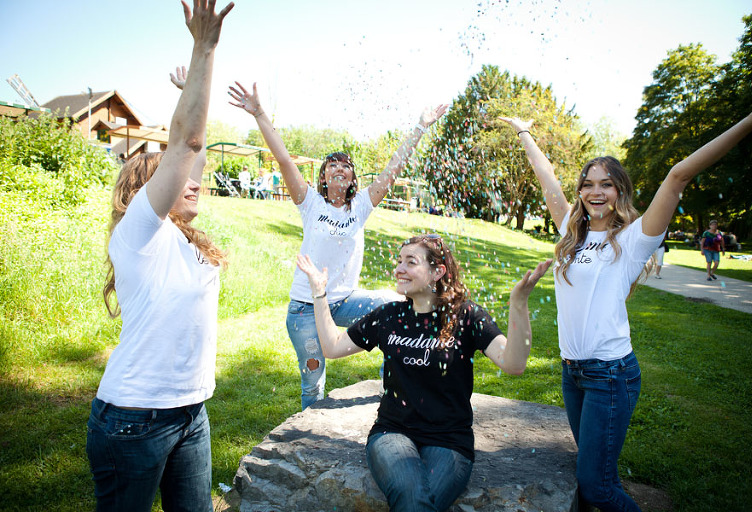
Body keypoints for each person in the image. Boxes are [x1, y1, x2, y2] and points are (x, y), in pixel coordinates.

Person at [499, 104, 752, 512]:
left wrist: (751, 120)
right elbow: (546, 176)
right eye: (588, 184)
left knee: (596, 488)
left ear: (620, 191)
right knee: (598, 475)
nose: (595, 192)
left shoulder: (635, 239)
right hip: (573, 373)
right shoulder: (571, 231)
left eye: (606, 185)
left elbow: (678, 175)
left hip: (610, 375)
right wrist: (524, 133)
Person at [86, 2, 233, 511]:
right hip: (135, 419)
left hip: (191, 413)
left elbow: (195, 150)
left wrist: (188, 92)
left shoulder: (185, 240)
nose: (195, 181)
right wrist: (204, 49)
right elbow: (187, 143)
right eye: (179, 176)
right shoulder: (140, 233)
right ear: (149, 190)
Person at [228, 80, 448, 409]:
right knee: (313, 380)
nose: (340, 168)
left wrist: (420, 126)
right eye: (333, 164)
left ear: (352, 178)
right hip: (305, 308)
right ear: (323, 176)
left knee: (398, 309)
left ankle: (394, 388)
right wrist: (259, 113)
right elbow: (284, 160)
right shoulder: (310, 203)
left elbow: (392, 170)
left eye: (346, 165)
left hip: (344, 301)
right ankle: (308, 433)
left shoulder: (360, 206)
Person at [296, 234, 552, 512]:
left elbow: (514, 363)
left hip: (450, 440)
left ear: (437, 271)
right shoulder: (388, 316)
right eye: (399, 261)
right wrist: (319, 293)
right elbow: (333, 347)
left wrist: (519, 303)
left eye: (411, 262)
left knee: (416, 502)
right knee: (412, 494)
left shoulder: (466, 317)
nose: (399, 269)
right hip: (392, 433)